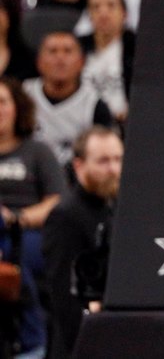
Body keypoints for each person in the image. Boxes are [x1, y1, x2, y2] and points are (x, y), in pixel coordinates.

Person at [42, 125, 122, 359]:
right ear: (79, 165)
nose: (114, 169)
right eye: (103, 161)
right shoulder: (65, 216)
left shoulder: (116, 207)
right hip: (78, 345)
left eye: (119, 159)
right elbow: (63, 298)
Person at [0, 76, 65, 358]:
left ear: (17, 107)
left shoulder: (37, 151)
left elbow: (56, 201)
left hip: (24, 233)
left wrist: (15, 218)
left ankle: (32, 344)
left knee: (18, 255)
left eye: (2, 102)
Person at [24, 31, 113, 167]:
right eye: (52, 51)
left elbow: (106, 155)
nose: (60, 58)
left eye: (68, 51)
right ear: (39, 62)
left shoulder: (95, 104)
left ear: (82, 62)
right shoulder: (22, 96)